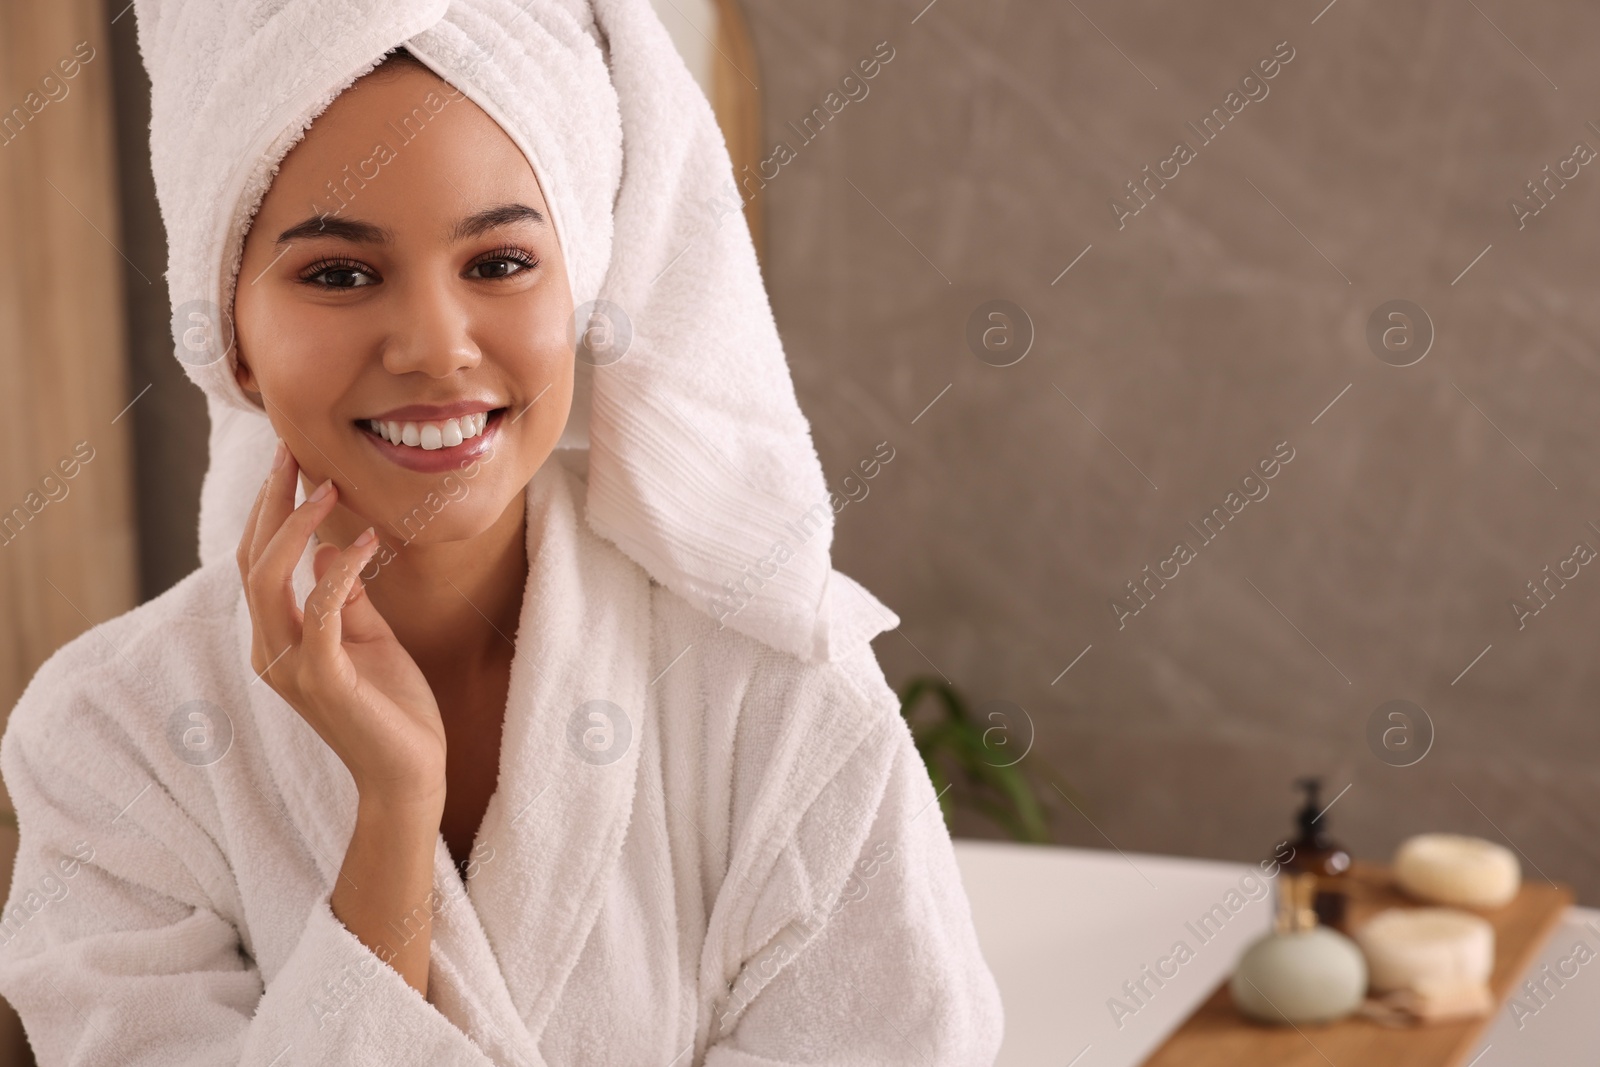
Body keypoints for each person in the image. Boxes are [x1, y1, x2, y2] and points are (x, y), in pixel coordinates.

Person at [0, 2, 1002, 1065]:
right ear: (229, 338)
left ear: (584, 293)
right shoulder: (111, 735)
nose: (437, 348)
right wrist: (390, 814)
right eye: (338, 273)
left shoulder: (782, 694)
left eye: (500, 263)